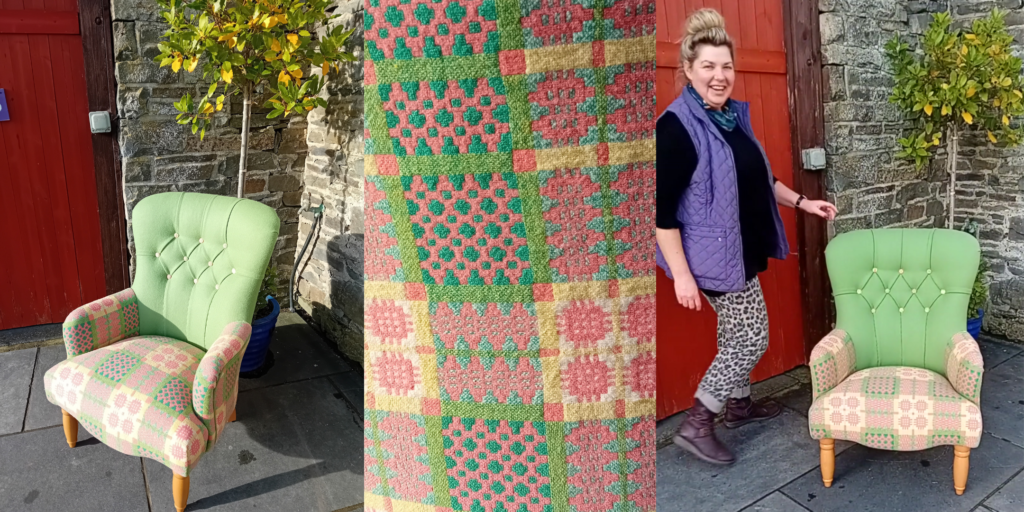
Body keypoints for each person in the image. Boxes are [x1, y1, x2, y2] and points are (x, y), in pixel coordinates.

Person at [656, 8, 838, 466]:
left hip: (741, 249)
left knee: (736, 329)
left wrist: (803, 202)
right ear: (688, 71)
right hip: (712, 258)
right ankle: (699, 421)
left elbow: (760, 178)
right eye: (708, 67)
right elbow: (659, 214)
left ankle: (738, 405)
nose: (720, 76)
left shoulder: (731, 118)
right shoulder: (675, 127)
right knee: (750, 337)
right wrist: (680, 275)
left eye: (726, 66)